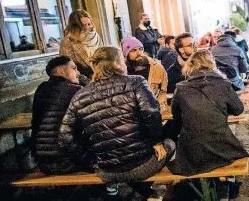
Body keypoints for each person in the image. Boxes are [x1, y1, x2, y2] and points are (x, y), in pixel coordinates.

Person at [59, 46, 175, 187]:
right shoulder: (136, 82)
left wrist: (91, 162)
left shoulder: (80, 95)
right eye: (122, 60)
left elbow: (64, 137)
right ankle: (152, 191)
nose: (125, 64)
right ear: (115, 64)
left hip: (107, 172)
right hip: (143, 166)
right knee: (170, 143)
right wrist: (156, 142)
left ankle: (141, 193)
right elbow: (152, 112)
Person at [162, 50, 249, 176]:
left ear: (190, 66)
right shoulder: (223, 84)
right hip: (223, 148)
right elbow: (238, 109)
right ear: (211, 64)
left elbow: (176, 117)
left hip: (193, 154)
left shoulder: (181, 88)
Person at [31, 56, 95, 175]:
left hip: (42, 162)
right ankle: (109, 190)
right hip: (65, 161)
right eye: (74, 68)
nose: (78, 73)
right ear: (61, 71)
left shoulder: (41, 89)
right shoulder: (75, 90)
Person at [121, 37, 168, 107]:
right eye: (133, 50)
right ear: (126, 54)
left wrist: (156, 108)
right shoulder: (122, 71)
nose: (139, 53)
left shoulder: (157, 68)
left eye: (140, 49)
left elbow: (163, 92)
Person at [60, 9, 103, 81]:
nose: (87, 28)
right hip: (84, 81)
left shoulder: (96, 37)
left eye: (89, 24)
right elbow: (67, 67)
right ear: (75, 27)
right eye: (83, 26)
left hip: (102, 76)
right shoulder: (68, 41)